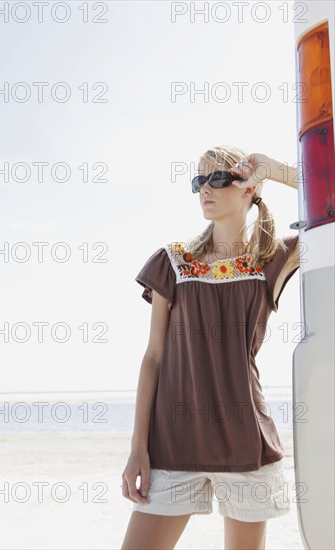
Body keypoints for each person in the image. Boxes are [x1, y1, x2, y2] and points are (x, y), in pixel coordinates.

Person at [120, 145, 300, 550]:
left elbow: (329, 212)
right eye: (199, 180)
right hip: (171, 446)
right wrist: (137, 449)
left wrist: (274, 169)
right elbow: (153, 358)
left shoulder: (271, 258)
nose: (206, 188)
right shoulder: (174, 261)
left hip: (246, 448)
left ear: (250, 189)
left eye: (219, 178)